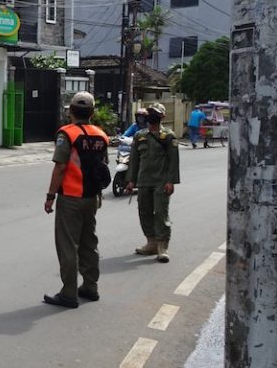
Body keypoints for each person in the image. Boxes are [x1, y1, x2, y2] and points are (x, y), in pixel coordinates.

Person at [43, 92, 110, 309]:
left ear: (70, 111)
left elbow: (61, 166)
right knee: (89, 242)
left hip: (71, 197)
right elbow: (101, 169)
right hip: (91, 198)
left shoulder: (67, 134)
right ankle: (91, 287)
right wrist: (99, 194)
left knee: (67, 245)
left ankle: (68, 293)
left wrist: (50, 196)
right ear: (92, 112)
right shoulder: (101, 135)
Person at [125, 102, 180, 263]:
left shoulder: (168, 136)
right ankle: (151, 242)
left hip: (161, 182)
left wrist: (171, 181)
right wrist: (130, 180)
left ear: (162, 116)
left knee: (161, 213)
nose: (151, 116)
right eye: (149, 112)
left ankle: (162, 247)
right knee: (144, 212)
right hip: (143, 181)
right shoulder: (139, 136)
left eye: (155, 113)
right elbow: (134, 160)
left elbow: (173, 161)